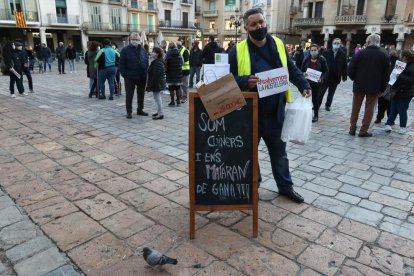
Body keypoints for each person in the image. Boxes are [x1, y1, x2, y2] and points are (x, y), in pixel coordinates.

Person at [229, 8, 312, 203]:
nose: (259, 26)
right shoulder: (237, 50)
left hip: (275, 112)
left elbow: (291, 68)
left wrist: (303, 85)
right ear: (246, 28)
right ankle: (253, 186)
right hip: (249, 113)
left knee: (279, 154)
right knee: (249, 153)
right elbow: (226, 79)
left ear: (265, 23)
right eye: (254, 24)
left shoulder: (279, 44)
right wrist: (244, 81)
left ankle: (285, 187)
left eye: (261, 22)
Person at [348, 34, 390, 137]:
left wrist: (355, 79)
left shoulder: (359, 54)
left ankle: (352, 128)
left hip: (359, 85)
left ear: (368, 41)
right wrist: (382, 89)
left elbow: (350, 70)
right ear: (378, 42)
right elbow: (386, 76)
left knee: (355, 108)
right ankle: (363, 130)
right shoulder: (384, 56)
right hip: (374, 87)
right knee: (369, 109)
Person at [119, 33, 148, 118]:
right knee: (129, 95)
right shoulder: (125, 50)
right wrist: (125, 75)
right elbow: (121, 64)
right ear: (130, 40)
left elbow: (146, 61)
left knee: (141, 94)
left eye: (137, 39)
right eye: (134, 39)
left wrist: (145, 72)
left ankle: (140, 109)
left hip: (142, 76)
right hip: (130, 77)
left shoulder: (143, 50)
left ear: (139, 40)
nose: (135, 41)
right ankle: (129, 112)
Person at [384, 50, 414, 134]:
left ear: (405, 57)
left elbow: (412, 80)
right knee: (393, 109)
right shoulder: (400, 64)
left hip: (405, 93)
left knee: (402, 110)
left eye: (401, 56)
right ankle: (388, 124)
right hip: (396, 91)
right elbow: (393, 74)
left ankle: (403, 127)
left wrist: (400, 76)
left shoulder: (412, 66)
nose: (399, 57)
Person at [301, 44, 329, 122]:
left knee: (315, 99)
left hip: (317, 83)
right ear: (309, 51)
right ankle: (305, 113)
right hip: (307, 82)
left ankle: (316, 115)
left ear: (318, 50)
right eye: (312, 50)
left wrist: (321, 78)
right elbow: (301, 70)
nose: (313, 52)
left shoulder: (322, 59)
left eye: (315, 50)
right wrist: (303, 73)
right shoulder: (306, 59)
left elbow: (326, 71)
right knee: (306, 98)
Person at [319, 38, 348, 111]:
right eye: (335, 43)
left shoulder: (342, 54)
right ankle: (317, 105)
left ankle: (328, 105)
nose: (336, 45)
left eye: (338, 43)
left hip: (335, 77)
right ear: (332, 44)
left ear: (340, 44)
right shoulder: (326, 52)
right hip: (326, 76)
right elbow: (321, 64)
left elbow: (344, 66)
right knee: (321, 92)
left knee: (331, 93)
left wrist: (344, 76)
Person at [375, 49, 398, 124]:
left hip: (385, 85)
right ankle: (389, 119)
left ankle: (379, 118)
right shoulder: (398, 63)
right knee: (389, 104)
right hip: (392, 86)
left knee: (382, 104)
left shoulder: (387, 61)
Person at [146, 47, 166, 120]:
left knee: (157, 98)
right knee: (156, 98)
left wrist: (150, 85)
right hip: (157, 83)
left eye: (153, 52)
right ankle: (158, 111)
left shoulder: (158, 62)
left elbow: (156, 75)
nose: (152, 53)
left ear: (157, 54)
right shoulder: (157, 61)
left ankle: (160, 114)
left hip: (157, 83)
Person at [165, 42, 183, 107]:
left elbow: (165, 62)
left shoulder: (168, 53)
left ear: (169, 47)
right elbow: (182, 62)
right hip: (178, 72)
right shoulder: (179, 53)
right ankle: (178, 101)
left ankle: (172, 102)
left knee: (171, 88)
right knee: (178, 88)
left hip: (170, 73)